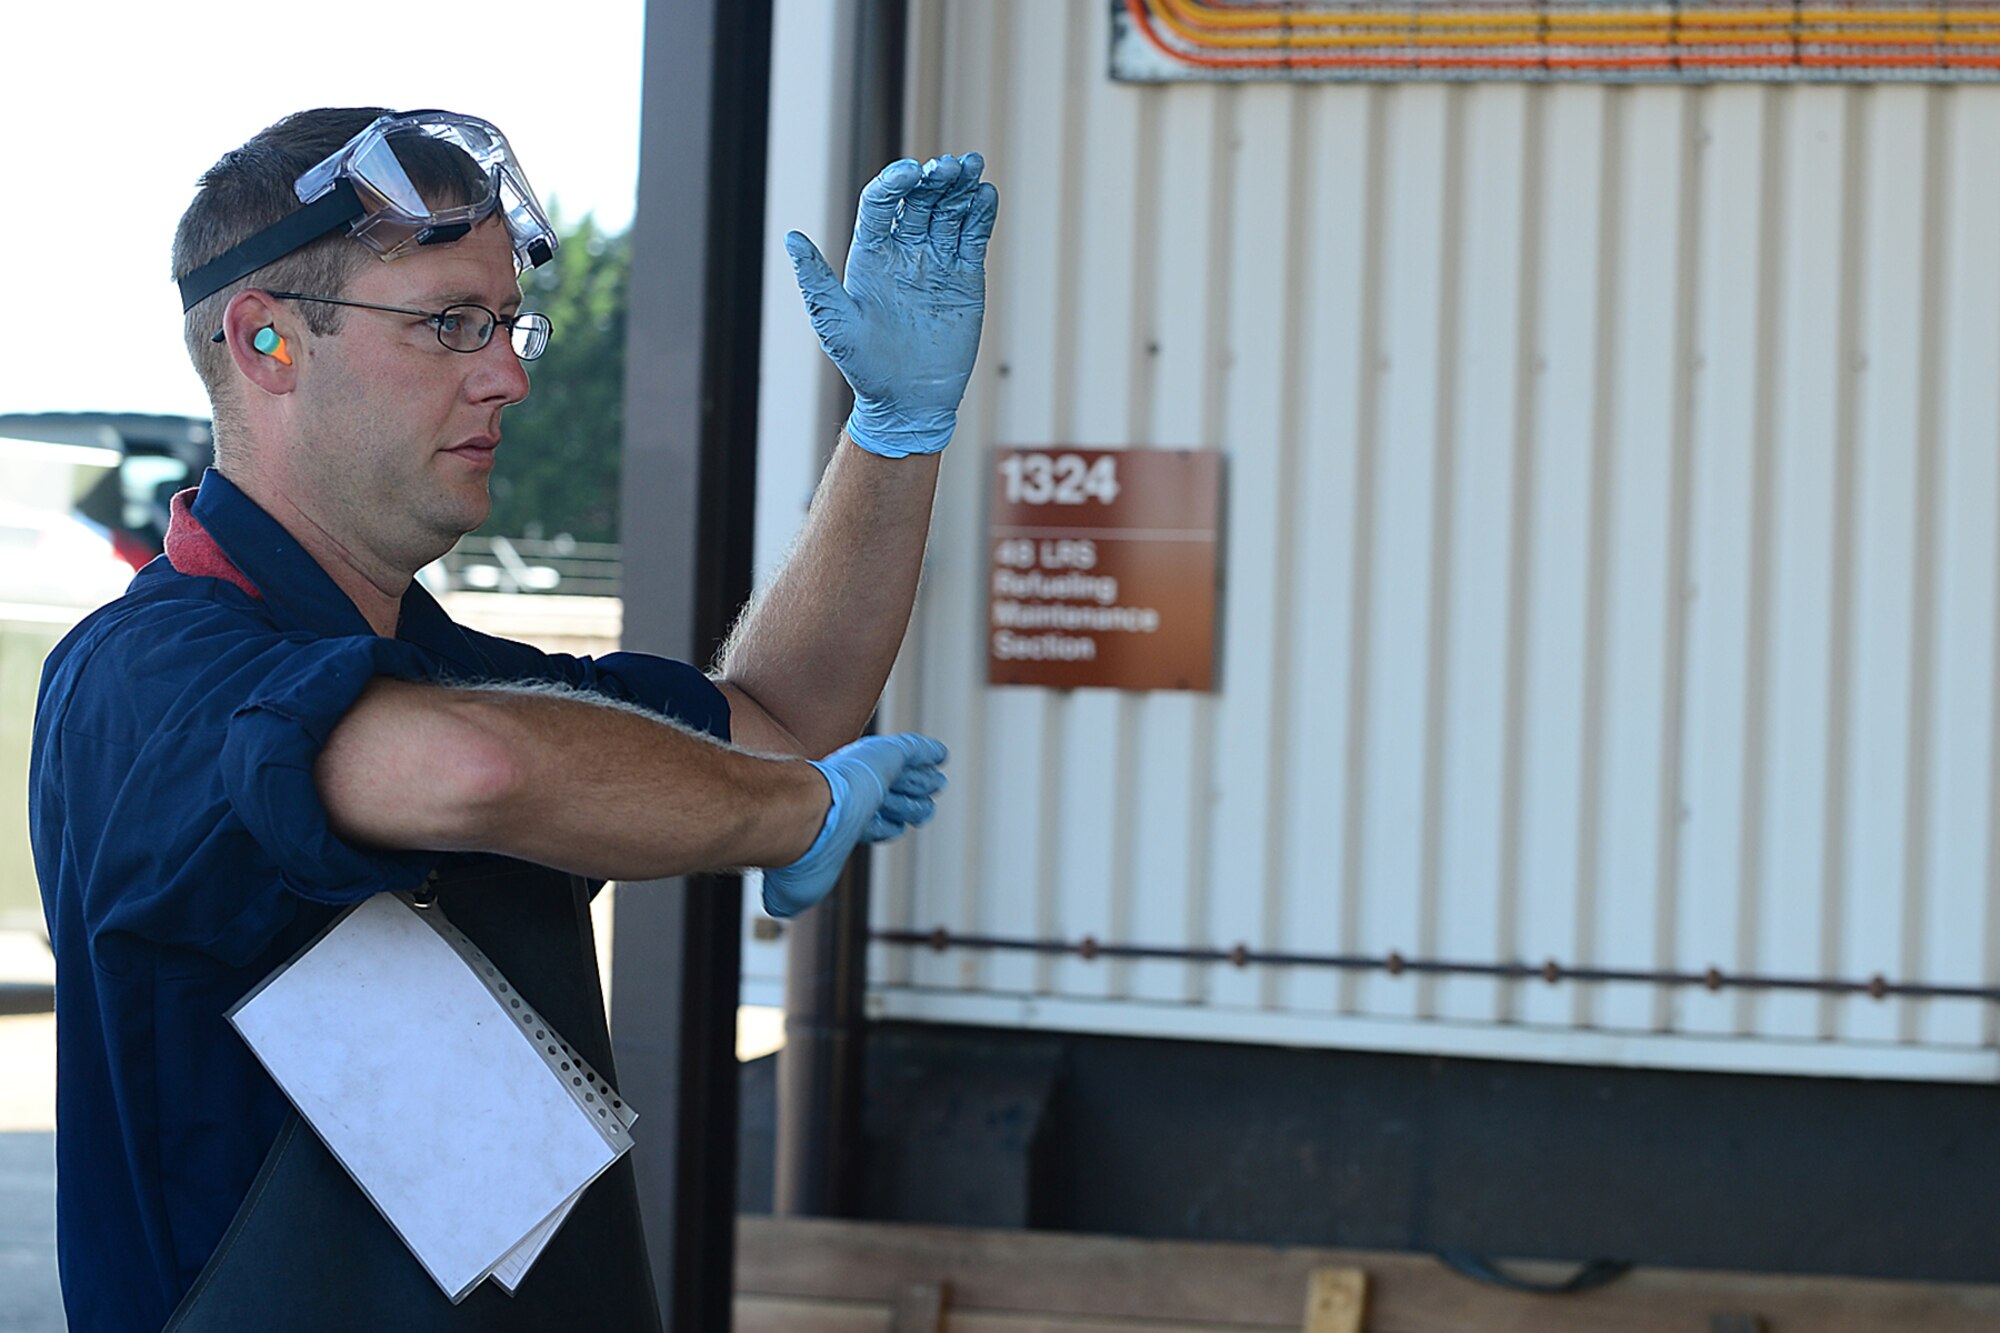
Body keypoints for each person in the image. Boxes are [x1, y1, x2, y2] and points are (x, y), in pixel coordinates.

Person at [29, 107, 997, 1331]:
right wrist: (791, 814)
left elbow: (778, 718)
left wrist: (892, 436)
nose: (510, 374)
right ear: (266, 337)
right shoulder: (139, 677)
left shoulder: (447, 670)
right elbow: (469, 770)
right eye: (449, 324)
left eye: (504, 324)